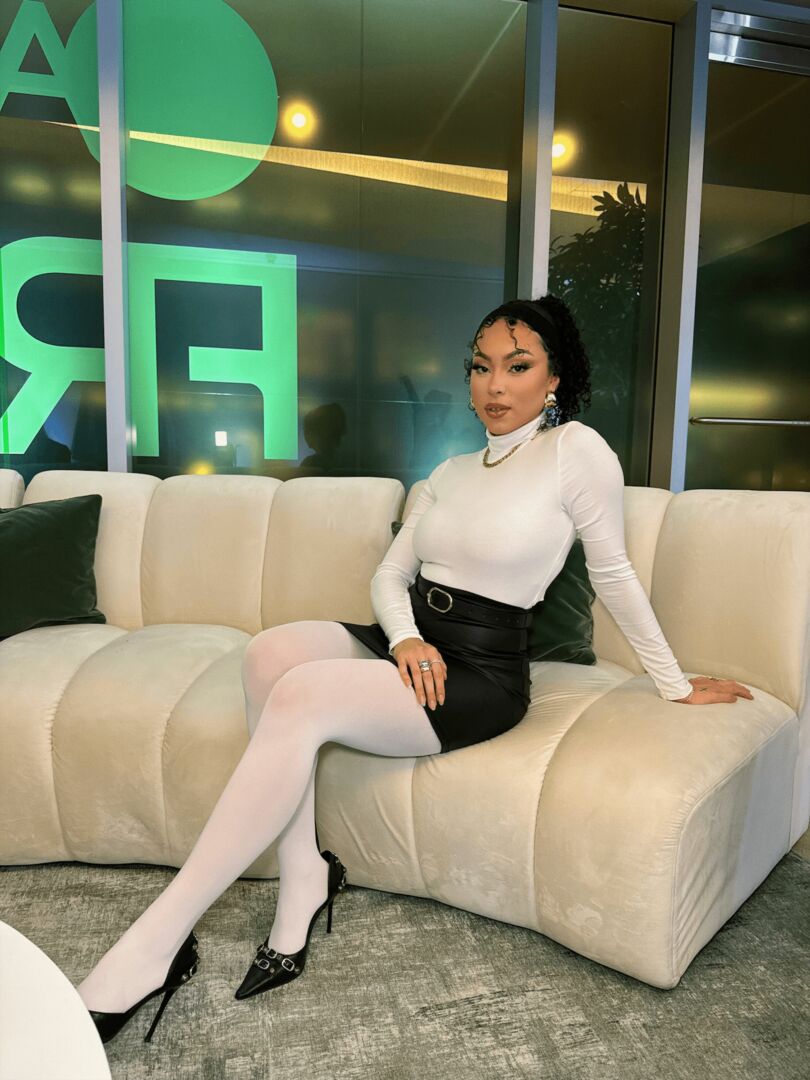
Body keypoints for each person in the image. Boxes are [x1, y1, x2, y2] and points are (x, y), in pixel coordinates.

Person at [76, 295, 753, 1043]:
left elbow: (615, 573)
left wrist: (674, 683)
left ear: (554, 379)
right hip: (413, 643)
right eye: (481, 367)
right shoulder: (450, 471)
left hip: (482, 670)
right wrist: (403, 639)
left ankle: (154, 944)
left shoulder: (577, 452)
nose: (495, 386)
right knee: (270, 653)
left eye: (518, 367)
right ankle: (303, 881)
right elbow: (390, 576)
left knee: (301, 695)